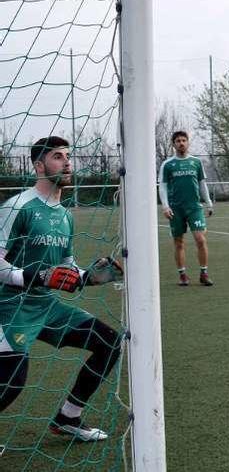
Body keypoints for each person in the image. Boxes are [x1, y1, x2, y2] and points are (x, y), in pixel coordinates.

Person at [0, 136, 123, 441]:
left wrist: (90, 276)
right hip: (8, 307)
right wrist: (37, 277)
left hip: (46, 306)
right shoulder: (17, 206)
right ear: (38, 165)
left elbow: (66, 269)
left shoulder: (65, 215)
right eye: (57, 156)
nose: (67, 162)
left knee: (109, 342)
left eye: (68, 156)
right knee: (11, 382)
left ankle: (68, 417)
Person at [159, 131, 214, 286]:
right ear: (173, 144)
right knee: (179, 242)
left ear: (188, 143)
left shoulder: (196, 162)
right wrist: (165, 206)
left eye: (184, 140)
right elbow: (162, 187)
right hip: (176, 209)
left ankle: (204, 273)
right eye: (178, 141)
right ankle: (182, 275)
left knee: (201, 239)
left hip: (194, 208)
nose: (181, 143)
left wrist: (208, 202)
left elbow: (202, 184)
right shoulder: (167, 164)